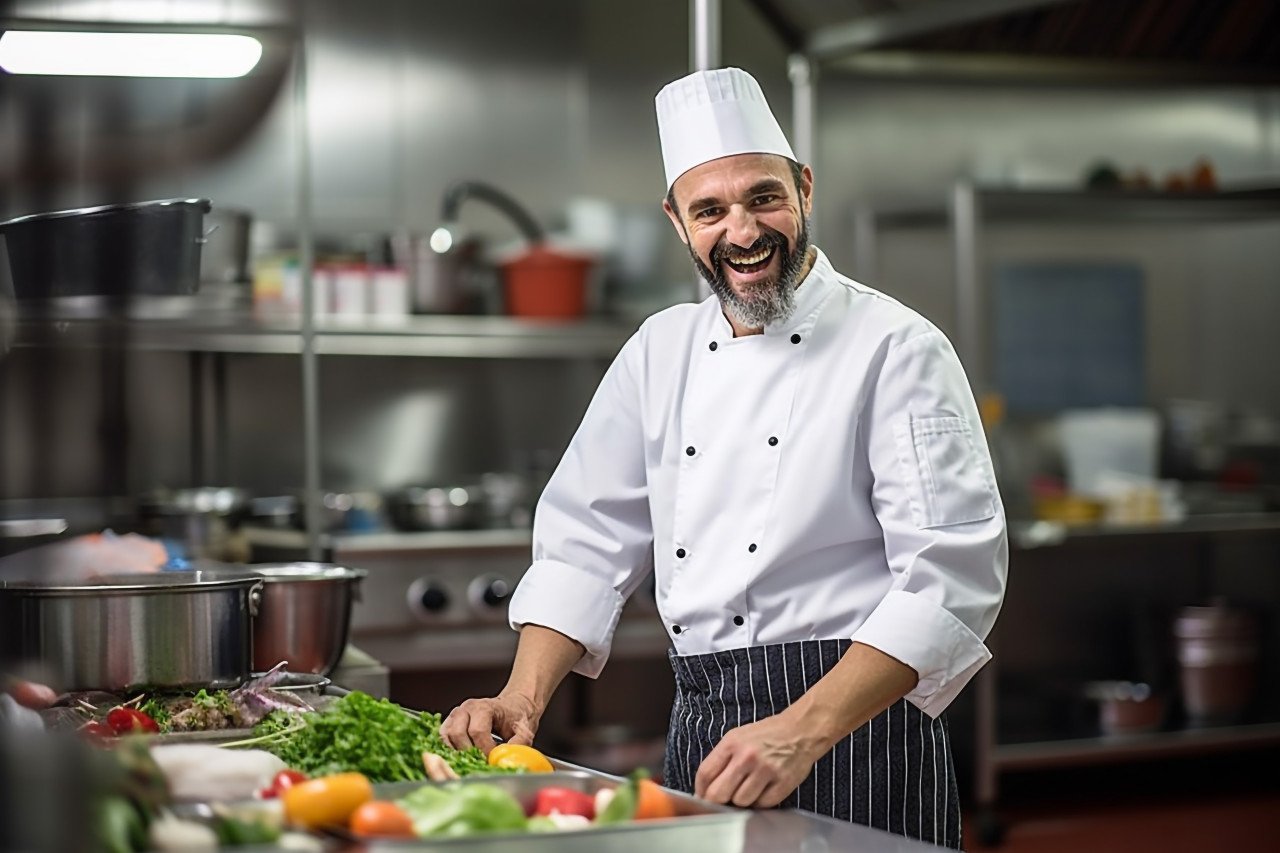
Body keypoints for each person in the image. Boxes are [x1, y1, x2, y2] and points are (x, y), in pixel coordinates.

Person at [441, 66, 1007, 849]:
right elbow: (584, 541)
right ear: (677, 222)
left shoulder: (897, 348)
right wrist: (522, 696)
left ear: (805, 189)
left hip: (857, 732)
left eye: (763, 198)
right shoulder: (658, 351)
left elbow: (952, 579)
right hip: (703, 732)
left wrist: (804, 728)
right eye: (711, 209)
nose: (742, 232)